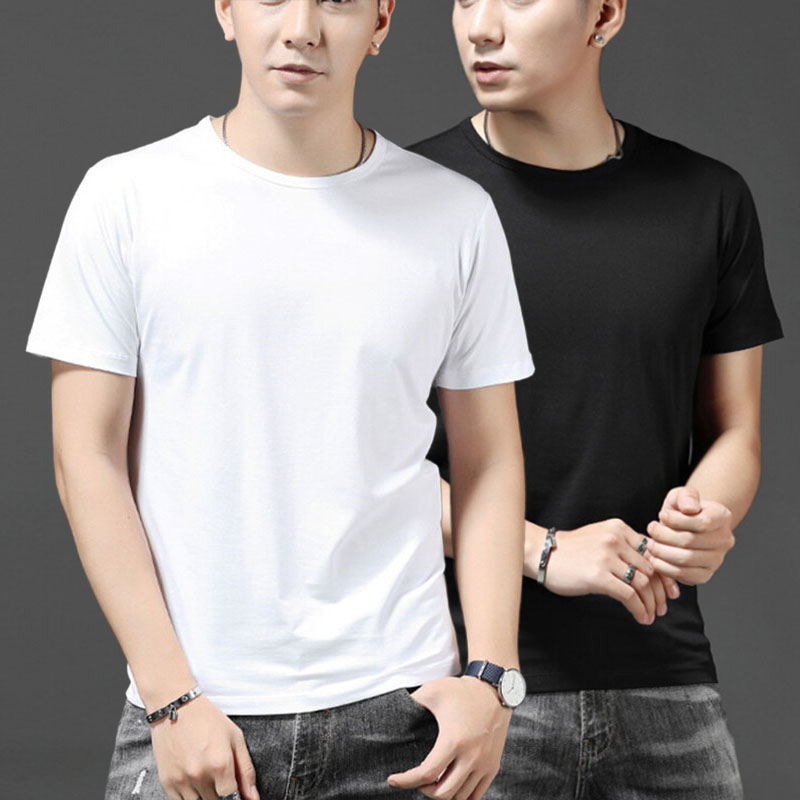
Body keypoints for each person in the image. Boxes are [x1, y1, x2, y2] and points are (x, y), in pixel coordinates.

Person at [24, 2, 536, 798]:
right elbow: (84, 457)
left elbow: (491, 459)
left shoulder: (455, 213)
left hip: (406, 716)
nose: (301, 27)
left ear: (382, 19)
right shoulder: (125, 197)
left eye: (337, 0)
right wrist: (171, 698)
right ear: (226, 9)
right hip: (198, 715)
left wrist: (494, 677)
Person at [408, 0, 784, 797]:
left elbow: (736, 432)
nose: (480, 27)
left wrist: (705, 517)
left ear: (604, 13)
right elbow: (352, 467)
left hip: (667, 693)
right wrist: (542, 550)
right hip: (465, 688)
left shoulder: (708, 199)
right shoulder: (404, 203)